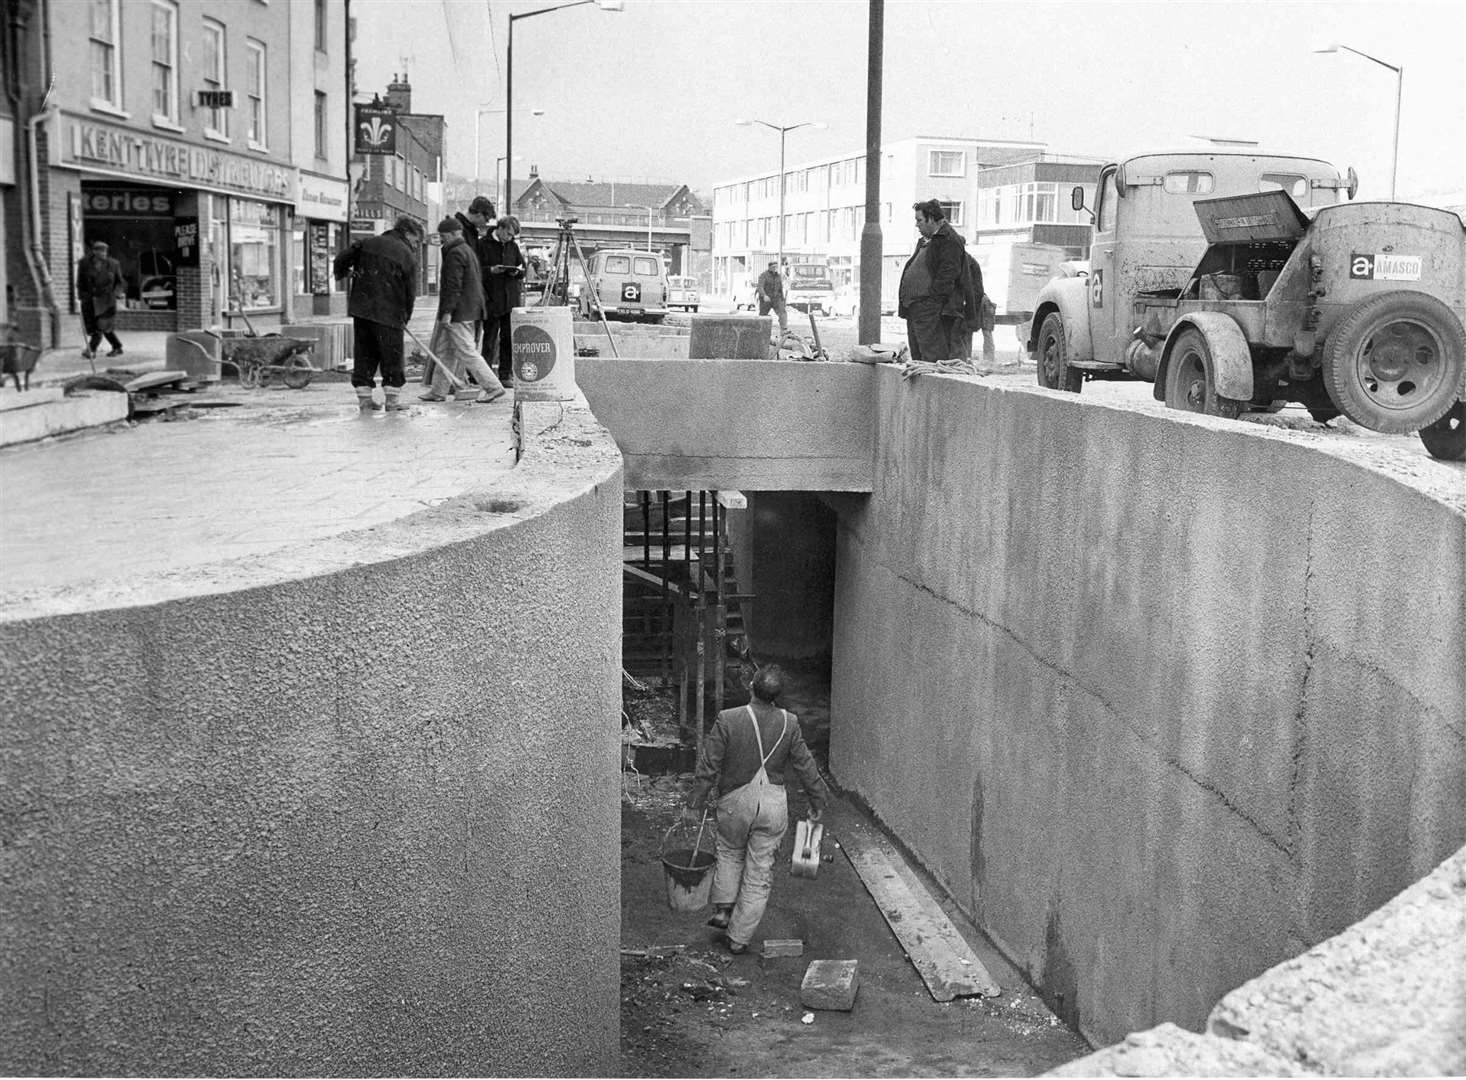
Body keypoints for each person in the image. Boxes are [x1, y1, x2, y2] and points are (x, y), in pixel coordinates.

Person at [685, 664, 829, 954]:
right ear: (778, 695)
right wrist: (818, 802)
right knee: (759, 871)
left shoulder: (728, 719)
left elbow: (709, 765)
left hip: (734, 803)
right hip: (773, 806)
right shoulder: (790, 723)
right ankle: (739, 939)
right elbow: (805, 765)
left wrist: (694, 803)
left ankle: (724, 910)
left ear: (751, 686)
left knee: (728, 850)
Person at [334, 215, 423, 412]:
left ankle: (365, 400)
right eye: (416, 241)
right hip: (390, 314)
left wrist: (345, 273)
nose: (416, 246)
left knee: (364, 354)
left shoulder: (367, 243)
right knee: (391, 357)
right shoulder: (406, 255)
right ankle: (392, 402)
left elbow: (340, 259)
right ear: (408, 233)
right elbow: (410, 292)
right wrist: (405, 316)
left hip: (362, 310)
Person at [420, 217, 505, 404]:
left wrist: (447, 312)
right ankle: (438, 391)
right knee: (446, 351)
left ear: (452, 234)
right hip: (470, 310)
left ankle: (493, 387)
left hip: (459, 313)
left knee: (467, 351)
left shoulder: (455, 254)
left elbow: (453, 285)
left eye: (443, 236)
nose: (441, 240)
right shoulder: (467, 250)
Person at [898, 199, 968, 366]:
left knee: (931, 359)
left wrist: (931, 303)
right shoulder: (926, 240)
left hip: (928, 309)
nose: (917, 225)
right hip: (915, 307)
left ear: (931, 219)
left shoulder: (949, 239)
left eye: (919, 220)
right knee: (918, 357)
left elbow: (947, 275)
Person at [481, 216, 526, 386]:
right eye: (508, 234)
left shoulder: (512, 247)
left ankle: (505, 375)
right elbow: (476, 269)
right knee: (490, 339)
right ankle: (484, 377)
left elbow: (522, 267)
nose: (509, 238)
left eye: (512, 235)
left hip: (510, 300)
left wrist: (517, 272)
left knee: (508, 339)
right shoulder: (484, 245)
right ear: (499, 228)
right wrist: (491, 270)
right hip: (492, 299)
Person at [76, 241, 125, 359]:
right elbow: (80, 282)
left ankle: (91, 350)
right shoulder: (84, 263)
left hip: (107, 300)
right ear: (94, 252)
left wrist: (117, 293)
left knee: (102, 326)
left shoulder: (113, 264)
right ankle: (117, 347)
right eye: (101, 251)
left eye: (105, 252)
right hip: (90, 300)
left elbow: (120, 282)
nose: (104, 254)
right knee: (95, 328)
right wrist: (82, 297)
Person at [756, 260, 788, 334]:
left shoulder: (778, 276)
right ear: (769, 267)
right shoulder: (763, 275)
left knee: (782, 312)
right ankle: (761, 332)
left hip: (776, 299)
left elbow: (780, 288)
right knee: (763, 316)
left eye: (776, 267)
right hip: (766, 300)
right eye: (773, 267)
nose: (775, 268)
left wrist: (782, 299)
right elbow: (760, 287)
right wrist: (764, 295)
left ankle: (784, 330)